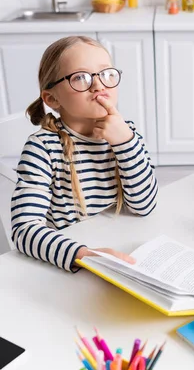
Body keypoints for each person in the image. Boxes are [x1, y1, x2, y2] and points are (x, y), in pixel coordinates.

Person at [11, 35, 158, 272]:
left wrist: (126, 143)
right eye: (80, 77)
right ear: (52, 98)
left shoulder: (125, 133)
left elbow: (144, 206)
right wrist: (85, 256)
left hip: (122, 251)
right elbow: (24, 230)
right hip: (70, 263)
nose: (99, 85)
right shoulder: (43, 148)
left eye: (106, 73)